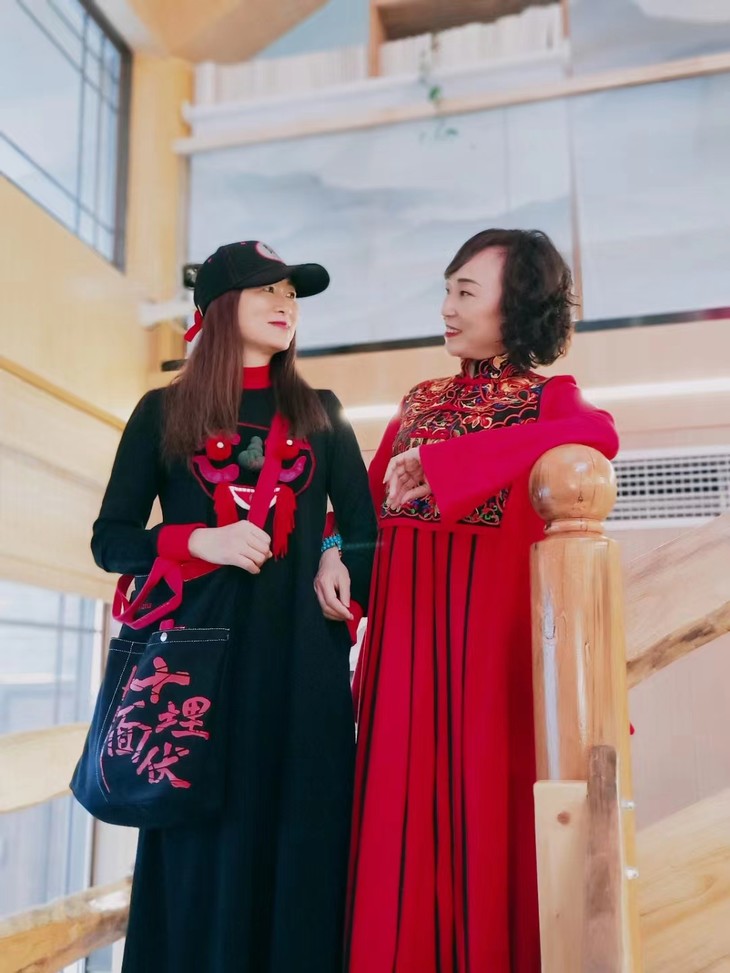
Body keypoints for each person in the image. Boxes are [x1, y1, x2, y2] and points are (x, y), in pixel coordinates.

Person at [325, 229, 620, 972]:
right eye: (447, 290)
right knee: (395, 821)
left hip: (489, 650)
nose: (447, 308)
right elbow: (362, 512)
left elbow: (598, 434)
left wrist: (450, 463)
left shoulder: (551, 398)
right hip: (404, 645)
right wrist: (333, 553)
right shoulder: (419, 401)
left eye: (466, 292)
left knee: (485, 818)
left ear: (515, 305)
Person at [91, 240, 377, 973]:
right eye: (266, 291)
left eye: (291, 294)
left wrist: (336, 551)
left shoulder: (323, 414)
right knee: (199, 859)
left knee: (305, 855)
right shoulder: (163, 412)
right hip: (196, 682)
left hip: (302, 675)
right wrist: (198, 540)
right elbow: (111, 541)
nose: (286, 306)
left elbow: (367, 533)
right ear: (220, 307)